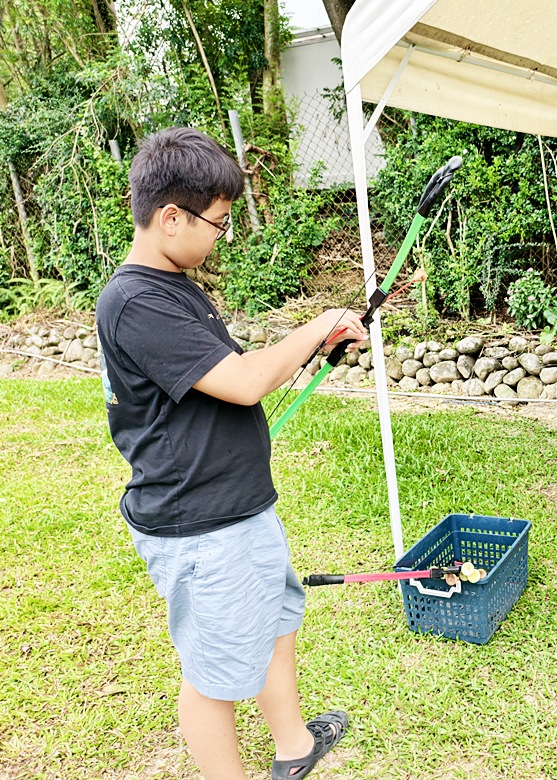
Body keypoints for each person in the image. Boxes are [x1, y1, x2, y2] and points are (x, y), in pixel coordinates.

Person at [95, 127, 365, 780]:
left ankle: (295, 747)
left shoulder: (172, 284)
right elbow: (243, 384)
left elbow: (227, 372)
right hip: (201, 525)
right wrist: (318, 323)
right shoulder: (134, 301)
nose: (220, 236)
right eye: (217, 223)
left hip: (238, 507)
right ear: (168, 217)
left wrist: (312, 348)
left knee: (276, 624)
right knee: (212, 677)